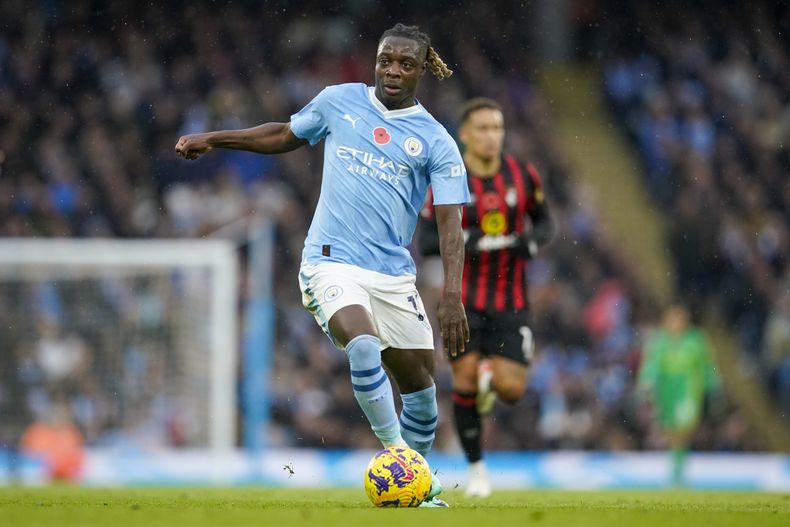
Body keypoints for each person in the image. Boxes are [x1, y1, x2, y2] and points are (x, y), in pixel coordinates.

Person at [176, 23, 469, 507]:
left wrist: (453, 294)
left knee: (421, 391)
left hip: (394, 275)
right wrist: (215, 138)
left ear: (422, 70)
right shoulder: (339, 101)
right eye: (385, 60)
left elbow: (450, 222)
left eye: (405, 64)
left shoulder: (436, 140)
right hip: (330, 262)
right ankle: (398, 456)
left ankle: (414, 489)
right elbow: (282, 134)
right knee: (363, 344)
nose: (392, 70)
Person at [418, 97, 554, 497]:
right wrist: (467, 240)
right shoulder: (447, 178)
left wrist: (530, 242)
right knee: (463, 380)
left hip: (511, 301)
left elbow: (545, 224)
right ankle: (477, 471)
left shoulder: (522, 174)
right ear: (464, 135)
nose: (491, 136)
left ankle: (491, 375)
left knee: (511, 391)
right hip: (461, 302)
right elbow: (426, 241)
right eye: (482, 128)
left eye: (496, 128)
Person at [637, 305, 721, 486]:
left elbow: (707, 364)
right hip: (667, 391)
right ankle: (677, 470)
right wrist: (646, 381)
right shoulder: (660, 341)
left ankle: (677, 472)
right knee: (671, 432)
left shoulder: (696, 340)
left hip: (689, 389)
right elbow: (652, 364)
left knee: (683, 429)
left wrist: (712, 385)